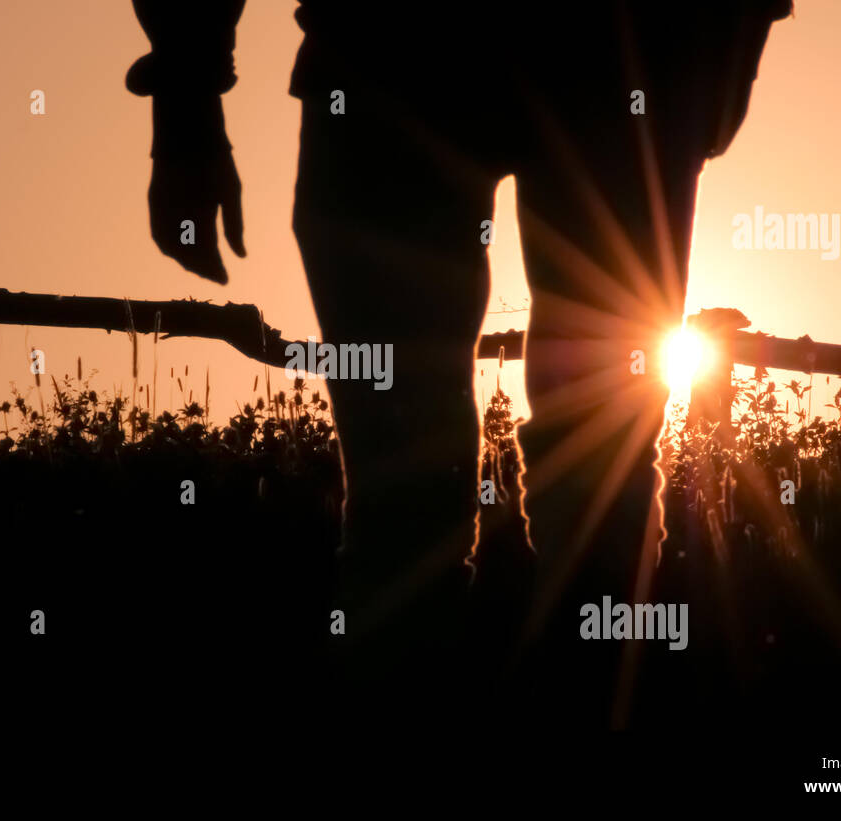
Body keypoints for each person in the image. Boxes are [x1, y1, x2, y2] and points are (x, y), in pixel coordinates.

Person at [128, 0, 792, 696]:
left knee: (453, 496)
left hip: (419, 54)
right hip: (581, 57)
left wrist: (187, 93)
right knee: (569, 487)